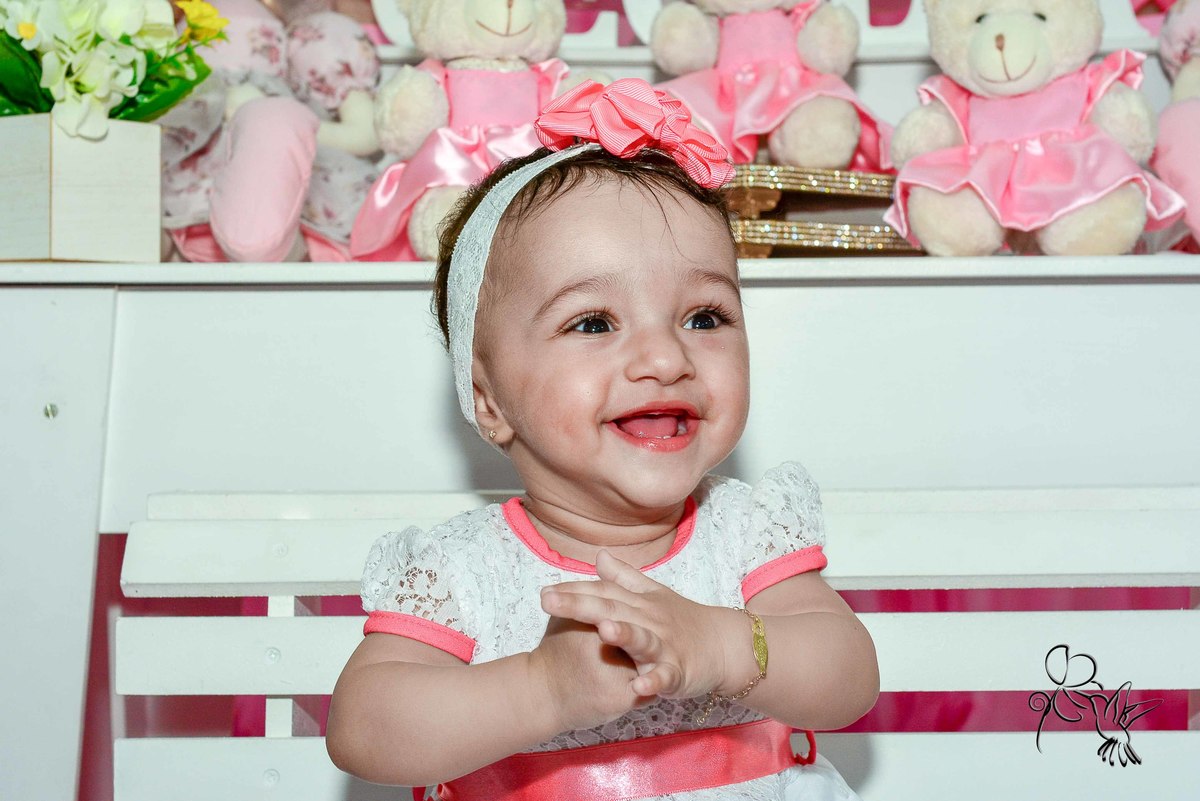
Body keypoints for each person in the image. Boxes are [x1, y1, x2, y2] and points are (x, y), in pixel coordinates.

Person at [326, 77, 879, 801]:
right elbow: (363, 728)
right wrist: (540, 688)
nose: (664, 358)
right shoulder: (462, 572)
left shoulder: (744, 536)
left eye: (704, 316)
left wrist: (719, 643)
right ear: (489, 402)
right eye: (594, 322)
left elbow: (849, 677)